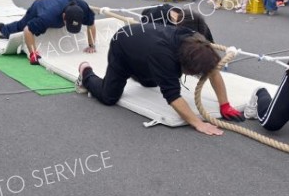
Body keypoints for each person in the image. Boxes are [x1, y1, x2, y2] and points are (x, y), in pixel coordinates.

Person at [78, 24, 244, 136]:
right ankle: (86, 72)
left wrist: (225, 105)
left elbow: (213, 71)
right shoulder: (163, 57)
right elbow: (172, 96)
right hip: (122, 45)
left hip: (144, 44)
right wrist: (198, 123)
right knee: (109, 97)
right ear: (184, 65)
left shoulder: (197, 40)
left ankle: (140, 73)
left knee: (149, 82)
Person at [0, 0, 96, 64]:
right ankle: (2, 30)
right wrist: (33, 53)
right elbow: (27, 30)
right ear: (64, 17)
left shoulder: (83, 8)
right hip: (40, 6)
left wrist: (91, 45)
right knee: (21, 25)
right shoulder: (48, 16)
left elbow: (91, 24)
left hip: (60, 2)